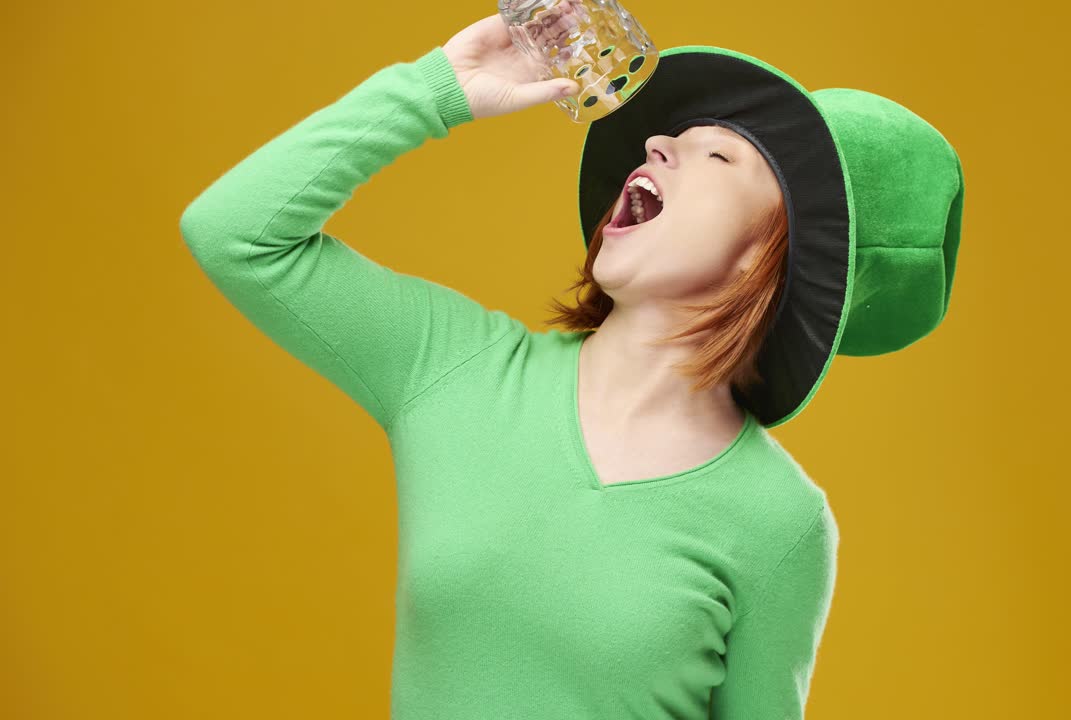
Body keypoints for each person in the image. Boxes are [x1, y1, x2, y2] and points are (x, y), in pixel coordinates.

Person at [179, 11, 963, 720]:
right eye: (670, 139)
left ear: (771, 257)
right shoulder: (456, 369)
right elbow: (234, 234)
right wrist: (435, 92)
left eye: (718, 156)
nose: (657, 142)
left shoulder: (781, 523)